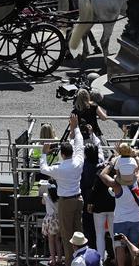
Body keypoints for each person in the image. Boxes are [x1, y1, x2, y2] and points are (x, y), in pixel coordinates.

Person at [39, 114, 84, 266]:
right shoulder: (78, 161)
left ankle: (71, 262)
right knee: (79, 232)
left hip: (66, 202)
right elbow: (80, 143)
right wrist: (75, 127)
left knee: (66, 235)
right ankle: (81, 259)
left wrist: (44, 153)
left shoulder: (59, 169)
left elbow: (43, 169)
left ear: (62, 155)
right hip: (78, 199)